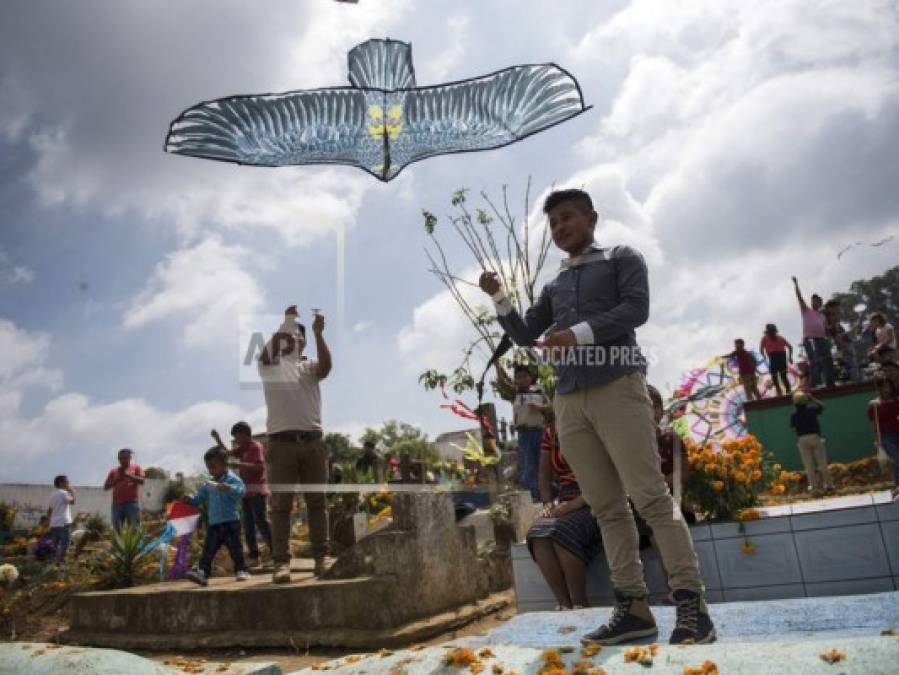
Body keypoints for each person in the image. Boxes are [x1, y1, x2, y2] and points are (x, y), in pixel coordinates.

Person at [480, 188, 714, 646]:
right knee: (606, 507)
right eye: (553, 224)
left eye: (567, 218)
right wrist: (500, 299)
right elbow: (528, 333)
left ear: (592, 218)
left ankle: (691, 606)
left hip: (618, 385)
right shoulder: (555, 285)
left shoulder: (622, 258)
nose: (560, 228)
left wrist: (578, 334)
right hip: (569, 400)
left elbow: (636, 309)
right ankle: (633, 610)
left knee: (650, 498)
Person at [258, 306, 333, 582]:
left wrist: (317, 333)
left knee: (317, 503)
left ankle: (322, 557)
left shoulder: (310, 366)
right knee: (281, 506)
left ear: (303, 342)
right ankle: (281, 563)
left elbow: (326, 367)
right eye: (288, 337)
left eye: (298, 337)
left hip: (313, 442)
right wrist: (288, 322)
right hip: (281, 445)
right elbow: (267, 351)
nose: (293, 340)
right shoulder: (269, 367)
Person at [526, 421, 602, 610]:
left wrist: (574, 505)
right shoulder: (551, 432)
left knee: (562, 530)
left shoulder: (592, 422)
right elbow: (544, 474)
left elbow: (605, 475)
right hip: (566, 499)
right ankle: (564, 605)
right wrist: (547, 503)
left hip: (596, 499)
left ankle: (580, 604)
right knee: (538, 532)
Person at [184, 447, 250, 586]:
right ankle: (202, 573)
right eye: (209, 467)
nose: (211, 470)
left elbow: (242, 491)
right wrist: (190, 499)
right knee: (208, 550)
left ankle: (241, 570)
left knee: (235, 548)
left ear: (225, 463)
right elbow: (199, 498)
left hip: (231, 522)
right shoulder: (209, 483)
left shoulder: (232, 479)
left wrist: (229, 488)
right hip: (214, 524)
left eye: (213, 466)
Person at [212, 421, 272, 569]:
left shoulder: (255, 447)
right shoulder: (243, 449)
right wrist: (218, 439)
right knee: (248, 525)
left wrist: (238, 465)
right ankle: (254, 556)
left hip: (257, 491)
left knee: (262, 522)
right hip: (246, 493)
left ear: (244, 434)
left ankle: (276, 554)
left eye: (236, 437)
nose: (236, 440)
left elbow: (259, 467)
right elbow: (227, 453)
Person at [496, 363, 551, 500]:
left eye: (524, 376)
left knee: (543, 464)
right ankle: (533, 495)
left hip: (539, 432)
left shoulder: (538, 391)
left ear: (530, 377)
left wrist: (540, 407)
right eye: (518, 377)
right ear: (515, 379)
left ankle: (546, 493)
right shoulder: (515, 393)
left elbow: (549, 407)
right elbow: (502, 381)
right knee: (529, 465)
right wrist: (497, 364)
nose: (522, 379)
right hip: (524, 434)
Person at [791, 277, 834, 388]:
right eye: (814, 301)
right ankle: (816, 383)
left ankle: (830, 383)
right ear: (812, 302)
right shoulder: (806, 310)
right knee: (815, 360)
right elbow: (799, 298)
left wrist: (831, 331)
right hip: (810, 339)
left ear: (820, 303)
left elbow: (826, 330)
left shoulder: (822, 316)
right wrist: (796, 284)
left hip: (822, 339)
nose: (816, 302)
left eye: (818, 301)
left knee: (827, 359)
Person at [789, 392, 834, 495]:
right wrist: (812, 399)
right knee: (822, 462)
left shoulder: (793, 415)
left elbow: (793, 428)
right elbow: (822, 406)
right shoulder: (811, 410)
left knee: (808, 465)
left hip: (802, 438)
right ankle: (829, 485)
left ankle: (814, 489)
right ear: (805, 401)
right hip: (815, 436)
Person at [867, 375, 899, 496]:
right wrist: (876, 441)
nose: (887, 389)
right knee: (897, 459)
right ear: (879, 388)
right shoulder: (874, 405)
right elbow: (874, 424)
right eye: (884, 386)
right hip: (887, 436)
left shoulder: (896, 401)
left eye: (889, 386)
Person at [103, 449, 145, 532]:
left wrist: (129, 475)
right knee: (117, 529)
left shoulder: (136, 468)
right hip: (117, 505)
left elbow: (142, 481)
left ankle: (135, 545)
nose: (123, 460)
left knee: (134, 528)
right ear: (118, 459)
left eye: (125, 457)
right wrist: (116, 480)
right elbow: (105, 487)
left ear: (130, 458)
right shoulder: (113, 471)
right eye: (121, 458)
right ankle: (118, 545)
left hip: (132, 504)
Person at [47, 475, 75, 564]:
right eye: (67, 482)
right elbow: (73, 502)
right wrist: (72, 491)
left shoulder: (52, 494)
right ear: (61, 483)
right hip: (64, 522)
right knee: (65, 544)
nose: (68, 484)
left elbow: (50, 510)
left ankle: (52, 561)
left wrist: (48, 521)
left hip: (54, 523)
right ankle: (61, 562)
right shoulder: (64, 493)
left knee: (54, 544)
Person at [759, 324, 793, 396]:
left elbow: (790, 347)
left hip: (781, 356)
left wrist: (790, 357)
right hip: (773, 357)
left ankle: (788, 390)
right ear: (767, 332)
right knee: (774, 376)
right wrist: (763, 355)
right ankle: (779, 391)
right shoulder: (764, 338)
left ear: (775, 331)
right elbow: (761, 348)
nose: (772, 333)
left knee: (783, 375)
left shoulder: (780, 338)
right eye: (770, 332)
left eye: (773, 331)